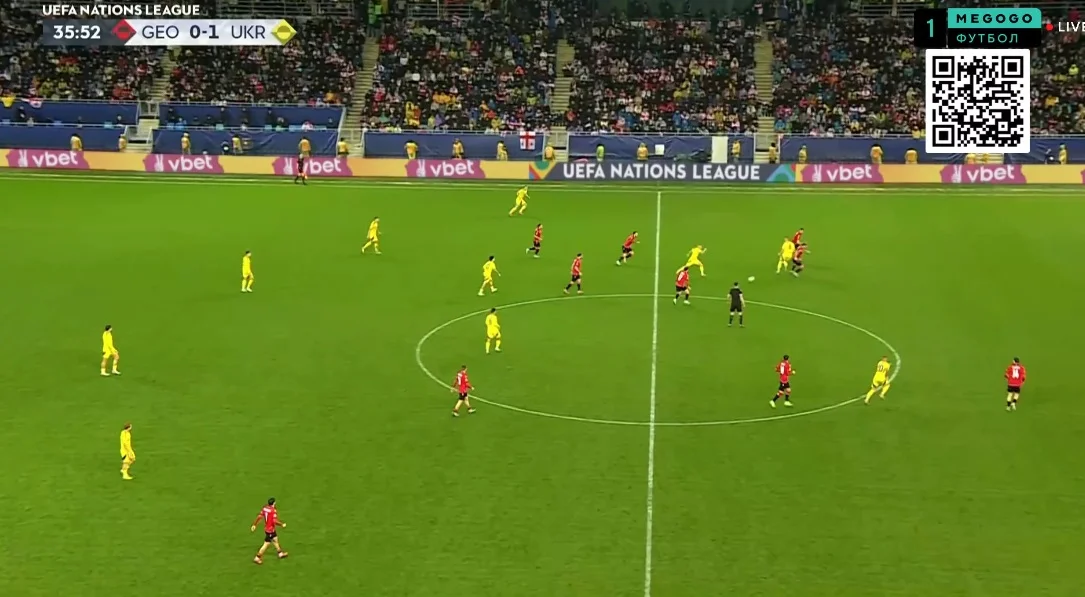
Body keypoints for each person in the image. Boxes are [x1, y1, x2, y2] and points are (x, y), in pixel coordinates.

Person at [250, 498, 288, 564]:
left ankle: (280, 553)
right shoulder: (273, 510)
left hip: (267, 529)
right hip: (270, 530)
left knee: (275, 539)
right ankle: (257, 557)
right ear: (274, 503)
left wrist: (254, 524)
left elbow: (259, 516)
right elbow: (274, 521)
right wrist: (282, 524)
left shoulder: (265, 508)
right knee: (266, 544)